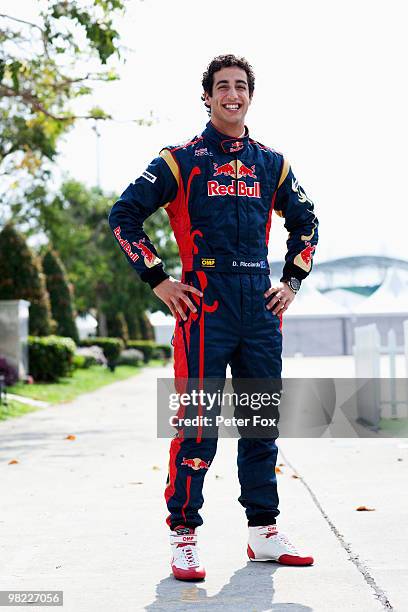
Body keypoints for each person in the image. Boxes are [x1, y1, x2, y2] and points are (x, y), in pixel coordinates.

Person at [109, 54, 319, 581]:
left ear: (251, 95)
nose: (232, 94)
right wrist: (158, 279)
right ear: (206, 96)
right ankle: (184, 536)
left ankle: (263, 533)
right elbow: (124, 214)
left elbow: (307, 223)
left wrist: (290, 282)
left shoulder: (273, 163)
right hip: (203, 307)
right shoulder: (181, 159)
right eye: (221, 87)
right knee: (198, 427)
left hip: (259, 308)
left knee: (259, 425)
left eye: (240, 86)